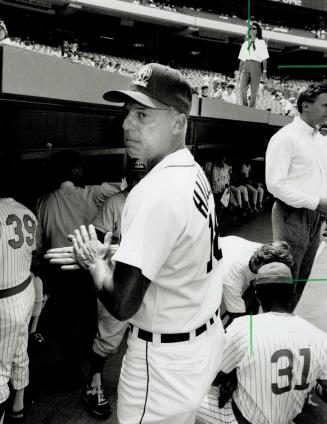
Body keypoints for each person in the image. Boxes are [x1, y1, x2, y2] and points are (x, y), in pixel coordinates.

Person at [46, 62, 226, 424]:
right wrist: (115, 253)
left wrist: (95, 260)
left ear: (178, 123)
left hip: (163, 363)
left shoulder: (155, 190)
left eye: (143, 114)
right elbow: (178, 250)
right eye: (128, 113)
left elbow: (123, 304)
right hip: (199, 342)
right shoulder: (189, 169)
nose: (127, 124)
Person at [196, 262, 327, 424]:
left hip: (239, 420)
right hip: (285, 420)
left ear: (258, 295)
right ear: (292, 294)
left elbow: (214, 378)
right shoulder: (319, 337)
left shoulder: (244, 327)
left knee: (188, 397)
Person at [34, 151, 121, 389]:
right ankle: (88, 365)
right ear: (77, 172)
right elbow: (123, 188)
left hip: (57, 271)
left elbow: (38, 243)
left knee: (65, 322)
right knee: (88, 317)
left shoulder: (43, 201)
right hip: (86, 268)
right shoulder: (92, 193)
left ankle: (71, 371)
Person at [84, 160, 147, 418]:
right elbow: (99, 242)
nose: (139, 179)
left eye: (143, 174)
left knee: (143, 332)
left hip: (147, 277)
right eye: (135, 174)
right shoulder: (115, 202)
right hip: (117, 276)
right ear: (127, 177)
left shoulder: (154, 201)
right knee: (109, 336)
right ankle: (93, 382)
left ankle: (138, 383)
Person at [266, 82, 327, 310]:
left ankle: (286, 324)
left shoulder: (320, 140)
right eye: (325, 105)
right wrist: (317, 202)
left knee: (301, 277)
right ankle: (271, 331)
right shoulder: (286, 138)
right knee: (285, 277)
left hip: (314, 217)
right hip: (291, 214)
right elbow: (275, 184)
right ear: (306, 106)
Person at [0, 171, 36, 423]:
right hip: (25, 290)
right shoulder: (26, 211)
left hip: (4, 301)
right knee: (20, 350)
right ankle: (19, 405)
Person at [219, 237, 293, 327]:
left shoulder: (265, 251)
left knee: (254, 301)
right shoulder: (233, 276)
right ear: (263, 264)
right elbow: (237, 317)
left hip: (230, 246)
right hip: (210, 264)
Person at [238, 21, 269, 107]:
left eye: (254, 28)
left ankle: (251, 107)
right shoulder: (245, 44)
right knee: (242, 87)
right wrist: (239, 72)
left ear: (257, 31)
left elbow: (264, 58)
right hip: (246, 65)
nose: (251, 30)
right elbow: (241, 60)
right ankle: (244, 106)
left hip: (256, 66)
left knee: (254, 90)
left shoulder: (261, 43)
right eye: (250, 28)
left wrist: (264, 72)